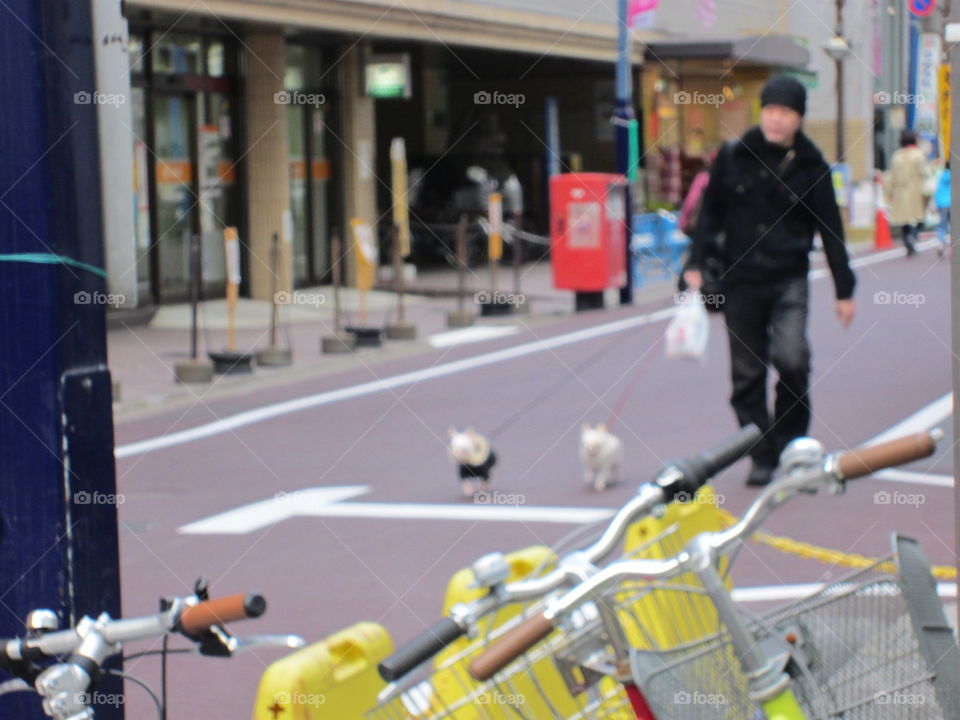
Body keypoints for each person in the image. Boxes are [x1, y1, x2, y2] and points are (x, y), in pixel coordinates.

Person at [682, 75, 857, 487]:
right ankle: (761, 454)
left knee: (793, 359)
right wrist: (694, 261)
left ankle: (789, 442)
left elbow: (831, 231)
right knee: (746, 375)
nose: (777, 120)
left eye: (787, 113)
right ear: (763, 112)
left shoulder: (812, 167)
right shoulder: (733, 156)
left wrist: (844, 291)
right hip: (739, 281)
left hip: (788, 280)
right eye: (772, 111)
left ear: (799, 118)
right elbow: (710, 214)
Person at [885, 130, 929, 257]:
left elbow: (890, 175)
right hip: (916, 190)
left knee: (903, 220)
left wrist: (889, 192)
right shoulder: (918, 155)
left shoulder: (896, 155)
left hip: (900, 191)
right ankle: (913, 236)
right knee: (919, 218)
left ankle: (907, 241)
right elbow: (924, 172)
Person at [935, 161, 951, 257]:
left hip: (942, 203)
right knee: (955, 226)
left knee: (942, 225)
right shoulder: (956, 176)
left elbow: (937, 191)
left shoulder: (941, 176)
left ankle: (940, 243)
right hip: (953, 203)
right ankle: (954, 247)